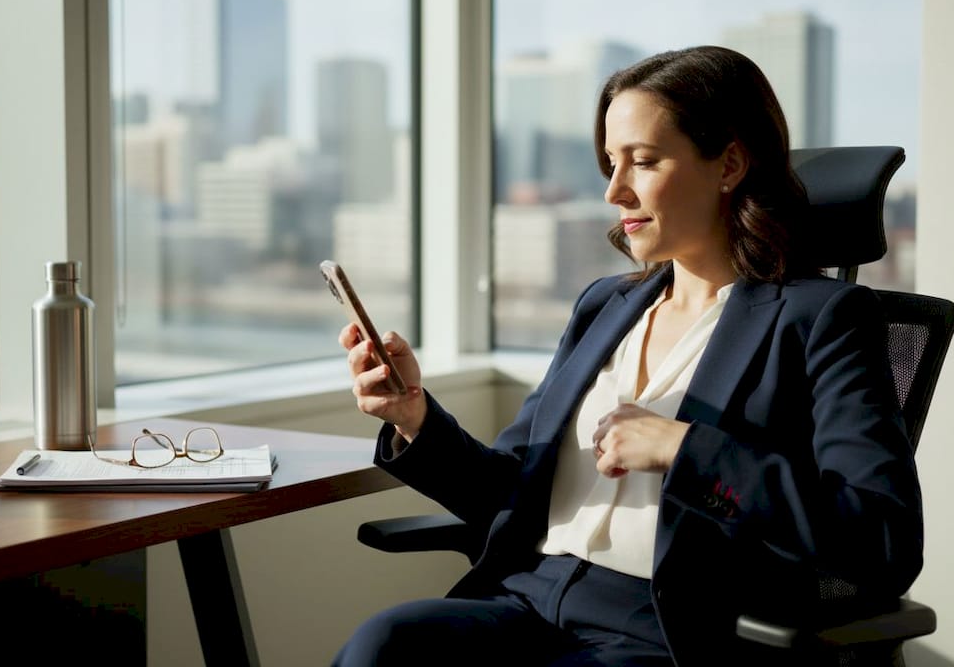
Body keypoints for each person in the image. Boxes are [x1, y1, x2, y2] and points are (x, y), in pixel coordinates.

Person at [332, 45, 922, 666]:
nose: (615, 190)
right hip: (529, 599)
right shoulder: (606, 306)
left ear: (729, 164)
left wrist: (682, 450)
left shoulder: (819, 319)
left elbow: (882, 539)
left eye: (643, 162)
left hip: (665, 629)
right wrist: (414, 417)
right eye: (611, 163)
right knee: (386, 642)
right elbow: (510, 489)